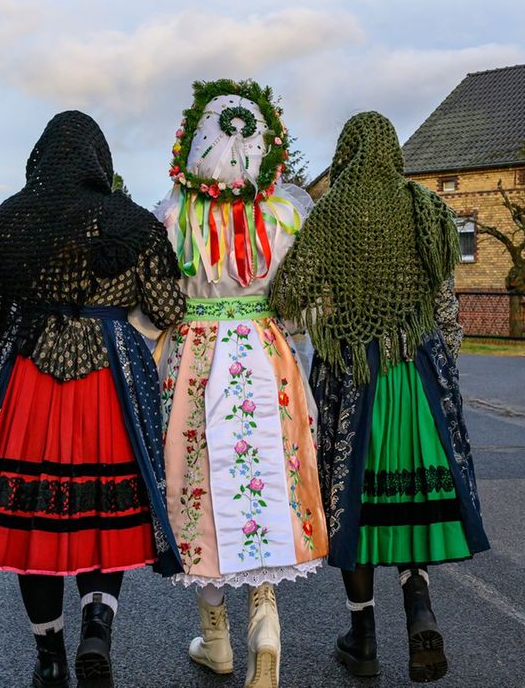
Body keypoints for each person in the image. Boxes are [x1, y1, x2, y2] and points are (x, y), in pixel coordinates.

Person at [0, 111, 184, 688]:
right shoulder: (134, 221)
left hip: (29, 378)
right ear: (100, 159)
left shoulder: (14, 217)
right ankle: (97, 629)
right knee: (104, 512)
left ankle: (49, 655)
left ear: (42, 156)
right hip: (109, 380)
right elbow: (168, 310)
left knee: (35, 523)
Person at [272, 111, 489, 683]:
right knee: (411, 500)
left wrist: (330, 314)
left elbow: (289, 300)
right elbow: (446, 307)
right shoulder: (425, 209)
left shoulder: (330, 216)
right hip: (414, 373)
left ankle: (362, 637)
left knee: (357, 503)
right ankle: (419, 610)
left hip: (353, 375)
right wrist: (445, 371)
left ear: (345, 151)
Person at [153, 79, 329, 688]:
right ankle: (266, 619)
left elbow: (157, 306)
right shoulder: (284, 217)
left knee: (199, 483)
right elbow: (304, 306)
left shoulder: (175, 216)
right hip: (263, 353)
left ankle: (217, 638)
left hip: (195, 359)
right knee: (264, 480)